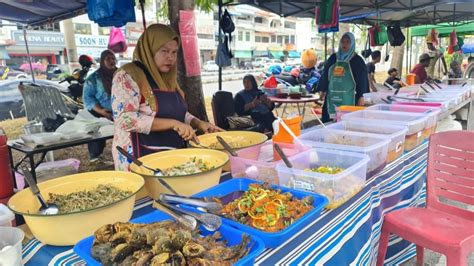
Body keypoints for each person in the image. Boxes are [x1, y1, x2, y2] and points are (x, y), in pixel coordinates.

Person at [111, 24, 221, 171]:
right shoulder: (128, 75)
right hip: (138, 157)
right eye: (164, 51)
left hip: (170, 155)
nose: (170, 57)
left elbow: (177, 112)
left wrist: (198, 123)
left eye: (174, 52)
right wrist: (173, 124)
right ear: (150, 49)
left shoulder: (168, 78)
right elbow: (125, 119)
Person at [318, 32, 369, 122]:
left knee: (349, 122)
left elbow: (363, 80)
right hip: (333, 97)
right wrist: (322, 89)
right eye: (343, 41)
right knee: (330, 122)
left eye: (347, 42)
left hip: (350, 97)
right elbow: (325, 74)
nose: (344, 44)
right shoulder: (333, 58)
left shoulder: (358, 61)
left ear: (352, 43)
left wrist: (362, 96)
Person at [83, 50, 117, 162]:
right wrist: (101, 111)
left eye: (113, 58)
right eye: (108, 59)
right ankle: (95, 156)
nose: (112, 61)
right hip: (101, 111)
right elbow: (88, 98)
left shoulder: (121, 74)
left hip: (120, 111)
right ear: (102, 61)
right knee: (97, 133)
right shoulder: (93, 78)